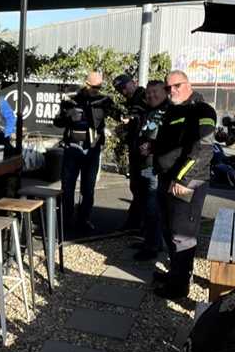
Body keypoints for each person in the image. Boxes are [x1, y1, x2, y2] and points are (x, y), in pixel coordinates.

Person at [149, 70, 216, 299]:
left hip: (187, 183)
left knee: (182, 236)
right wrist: (152, 148)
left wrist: (183, 179)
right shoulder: (173, 110)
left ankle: (178, 288)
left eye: (176, 86)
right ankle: (175, 275)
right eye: (168, 88)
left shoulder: (202, 110)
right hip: (167, 180)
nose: (172, 91)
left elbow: (203, 149)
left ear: (188, 84)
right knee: (169, 231)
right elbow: (171, 142)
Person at [54, 71, 116, 234]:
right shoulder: (70, 99)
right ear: (86, 84)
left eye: (99, 87)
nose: (96, 90)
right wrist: (69, 116)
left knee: (88, 188)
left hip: (92, 149)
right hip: (72, 148)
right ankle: (65, 220)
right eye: (93, 87)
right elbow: (57, 121)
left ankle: (84, 219)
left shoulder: (104, 100)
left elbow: (117, 115)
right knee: (67, 187)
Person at [132, 80, 169, 261]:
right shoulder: (149, 110)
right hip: (144, 165)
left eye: (155, 92)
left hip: (155, 167)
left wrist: (152, 146)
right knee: (146, 206)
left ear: (165, 92)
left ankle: (152, 247)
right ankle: (150, 240)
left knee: (153, 207)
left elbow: (167, 138)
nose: (151, 95)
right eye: (148, 92)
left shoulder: (167, 111)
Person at [112, 74, 148, 231]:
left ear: (133, 83)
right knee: (136, 187)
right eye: (120, 89)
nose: (123, 90)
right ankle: (136, 223)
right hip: (135, 149)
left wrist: (132, 121)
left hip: (146, 150)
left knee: (144, 188)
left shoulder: (145, 96)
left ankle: (140, 225)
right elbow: (132, 123)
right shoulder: (131, 100)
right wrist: (125, 129)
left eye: (124, 86)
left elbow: (145, 119)